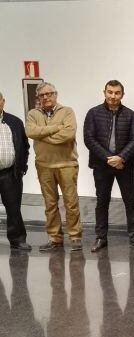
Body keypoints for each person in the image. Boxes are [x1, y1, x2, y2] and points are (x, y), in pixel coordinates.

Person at [83, 80, 134, 251]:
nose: (113, 96)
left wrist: (121, 158)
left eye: (117, 93)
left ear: (122, 95)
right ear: (104, 92)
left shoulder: (130, 115)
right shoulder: (93, 113)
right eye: (110, 92)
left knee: (130, 201)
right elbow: (89, 139)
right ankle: (101, 237)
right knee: (102, 201)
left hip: (125, 166)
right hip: (101, 165)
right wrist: (110, 158)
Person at [24, 82, 83, 251]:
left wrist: (43, 134)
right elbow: (30, 132)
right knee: (50, 204)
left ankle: (75, 236)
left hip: (67, 164)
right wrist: (56, 128)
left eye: (49, 94)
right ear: (38, 98)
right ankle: (55, 238)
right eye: (42, 95)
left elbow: (68, 134)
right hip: (44, 166)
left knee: (71, 203)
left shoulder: (67, 112)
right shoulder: (33, 114)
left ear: (56, 94)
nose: (46, 97)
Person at [0, 91, 30, 250]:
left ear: (3, 102)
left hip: (10, 173)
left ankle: (17, 239)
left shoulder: (15, 122)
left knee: (13, 208)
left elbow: (25, 146)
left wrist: (22, 167)